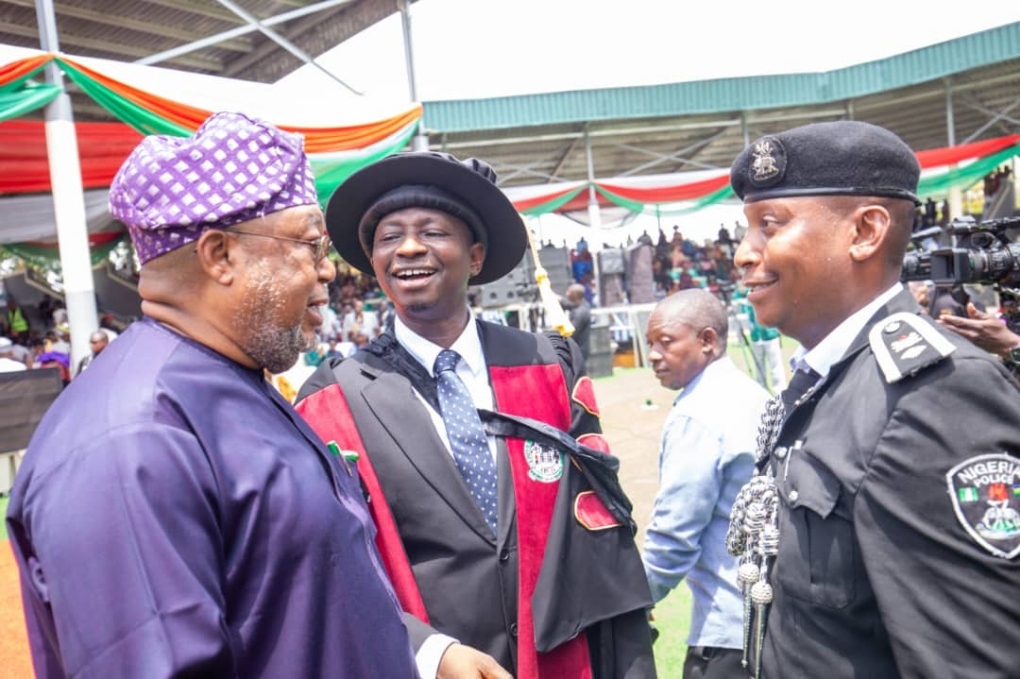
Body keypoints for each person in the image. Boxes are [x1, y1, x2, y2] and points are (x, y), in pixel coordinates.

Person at [5, 112, 418, 678]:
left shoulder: (228, 380)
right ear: (220, 256)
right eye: (307, 245)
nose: (328, 271)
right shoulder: (135, 440)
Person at [295, 151, 656, 679]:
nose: (409, 247)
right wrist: (428, 650)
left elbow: (602, 535)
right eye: (389, 237)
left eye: (433, 231)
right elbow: (334, 561)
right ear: (372, 263)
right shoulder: (333, 399)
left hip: (561, 658)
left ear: (477, 256)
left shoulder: (545, 367)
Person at [727, 120, 1020, 678]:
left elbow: (970, 662)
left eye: (770, 225)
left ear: (865, 231)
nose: (744, 254)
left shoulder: (936, 392)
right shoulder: (824, 377)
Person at [641, 289, 769, 679]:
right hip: (772, 621)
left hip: (727, 631)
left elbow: (674, 538)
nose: (652, 356)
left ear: (707, 340)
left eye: (666, 342)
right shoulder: (754, 395)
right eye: (649, 344)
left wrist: (630, 602)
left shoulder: (698, 416)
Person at [732, 284, 787, 393]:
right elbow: (737, 302)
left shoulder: (768, 292)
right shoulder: (747, 295)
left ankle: (780, 393)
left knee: (776, 368)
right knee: (759, 368)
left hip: (770, 335)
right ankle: (762, 392)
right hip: (755, 337)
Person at [561, 282, 592, 362]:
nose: (566, 293)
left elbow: (571, 332)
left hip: (578, 351)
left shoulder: (580, 313)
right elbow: (569, 305)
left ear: (574, 295)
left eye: (568, 292)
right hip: (580, 349)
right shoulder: (584, 305)